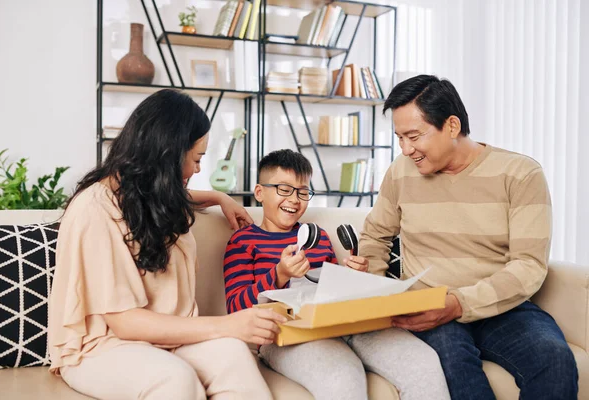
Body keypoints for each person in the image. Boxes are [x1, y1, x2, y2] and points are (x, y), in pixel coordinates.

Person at [47, 89, 287, 400]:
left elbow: (163, 195)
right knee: (176, 379)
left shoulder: (146, 192)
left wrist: (218, 197)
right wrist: (228, 324)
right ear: (168, 153)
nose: (199, 170)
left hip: (166, 339)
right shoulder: (94, 209)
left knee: (234, 356)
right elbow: (126, 323)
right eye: (197, 158)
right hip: (99, 346)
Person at [359, 74, 578, 399]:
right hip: (427, 305)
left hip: (505, 309)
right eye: (399, 138)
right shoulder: (401, 172)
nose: (405, 150)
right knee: (453, 363)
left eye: (413, 136)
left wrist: (460, 303)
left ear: (451, 125)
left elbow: (529, 266)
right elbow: (375, 236)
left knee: (555, 359)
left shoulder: (520, 174)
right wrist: (374, 294)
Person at [223, 149, 450, 400]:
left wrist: (353, 276)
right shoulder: (243, 241)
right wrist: (278, 274)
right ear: (259, 193)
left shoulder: (317, 235)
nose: (295, 199)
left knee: (423, 362)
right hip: (285, 334)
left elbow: (331, 291)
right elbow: (235, 308)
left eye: (302, 191)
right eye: (284, 189)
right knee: (342, 375)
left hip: (346, 324)